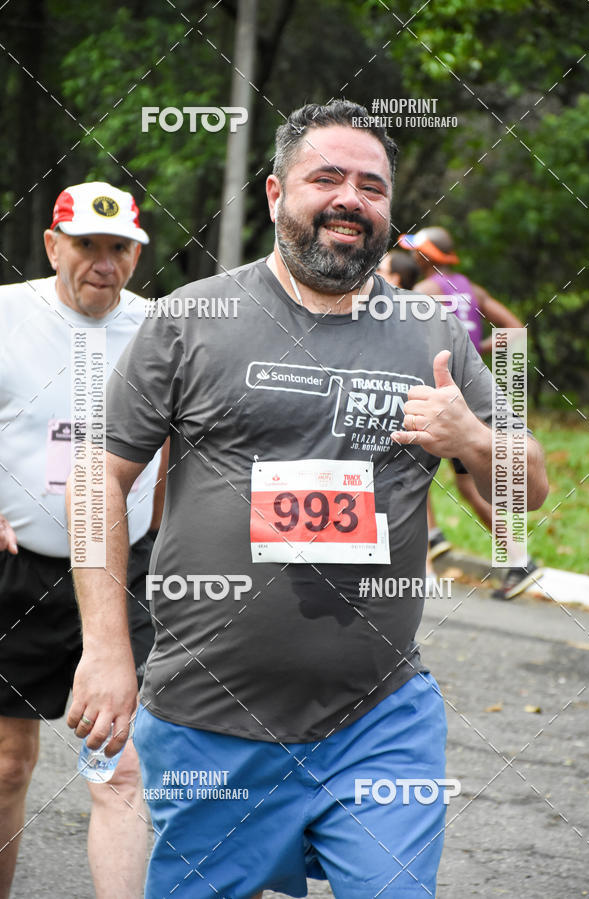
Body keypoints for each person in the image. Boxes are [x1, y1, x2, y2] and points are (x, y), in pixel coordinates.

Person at [66, 102, 548, 899]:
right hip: (209, 717)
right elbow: (99, 476)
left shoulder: (430, 330)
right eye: (326, 177)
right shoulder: (194, 317)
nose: (349, 198)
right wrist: (107, 647)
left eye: (371, 186)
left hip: (378, 716)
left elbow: (523, 492)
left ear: (390, 210)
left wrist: (470, 436)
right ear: (273, 194)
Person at [0, 181, 165, 899]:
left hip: (129, 574)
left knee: (121, 765)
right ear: (52, 244)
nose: (104, 262)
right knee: (8, 761)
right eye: (88, 245)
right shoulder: (7, 316)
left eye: (120, 248)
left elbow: (190, 443)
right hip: (20, 571)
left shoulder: (164, 325)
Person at [399, 227, 539, 599]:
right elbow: (515, 329)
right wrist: (475, 350)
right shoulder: (472, 289)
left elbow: (391, 329)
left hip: (438, 395)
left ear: (426, 257)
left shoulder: (426, 291)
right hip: (470, 398)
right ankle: (512, 557)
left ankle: (437, 539)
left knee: (409, 461)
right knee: (467, 482)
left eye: (417, 252)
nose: (413, 258)